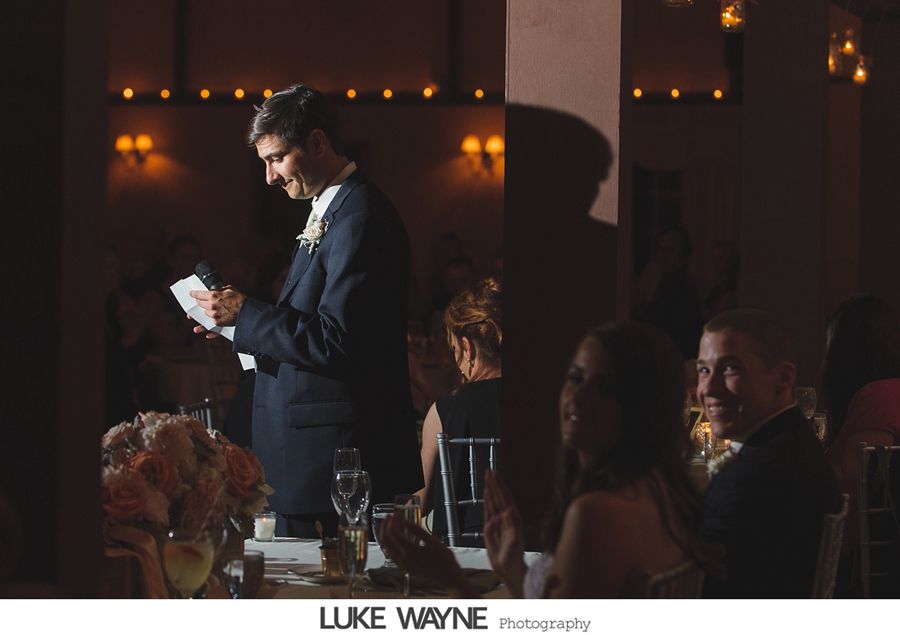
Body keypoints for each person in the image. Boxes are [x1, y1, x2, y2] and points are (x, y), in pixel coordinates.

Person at [190, 84, 422, 537]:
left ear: (317, 143)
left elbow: (338, 340)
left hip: (336, 461)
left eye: (276, 158)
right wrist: (235, 326)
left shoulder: (361, 218)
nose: (269, 178)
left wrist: (249, 315)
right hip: (311, 458)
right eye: (264, 163)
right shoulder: (335, 211)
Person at [384, 322, 704, 598]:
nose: (578, 397)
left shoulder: (596, 514)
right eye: (576, 378)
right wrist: (513, 569)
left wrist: (449, 575)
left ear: (643, 406)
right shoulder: (665, 493)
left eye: (605, 387)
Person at [696, 309, 842, 597]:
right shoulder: (796, 441)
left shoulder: (758, 476)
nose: (708, 388)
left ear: (784, 378)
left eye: (730, 368)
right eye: (704, 370)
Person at [416, 278, 502, 546]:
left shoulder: (445, 410)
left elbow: (417, 505)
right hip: (532, 553)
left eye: (454, 350)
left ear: (467, 348)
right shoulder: (540, 402)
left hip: (463, 560)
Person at [633, 226, 704, 359]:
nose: (663, 255)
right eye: (660, 249)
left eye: (670, 250)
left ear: (684, 257)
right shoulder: (663, 285)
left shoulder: (681, 292)